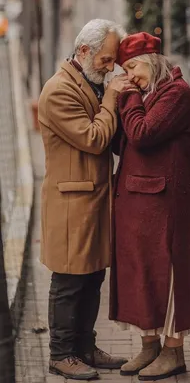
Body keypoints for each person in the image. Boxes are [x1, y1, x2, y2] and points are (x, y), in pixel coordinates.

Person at [38, 19, 128, 380]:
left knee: (92, 277)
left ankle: (84, 347)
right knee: (69, 281)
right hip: (71, 203)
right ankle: (60, 354)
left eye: (113, 61)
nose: (110, 68)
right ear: (84, 51)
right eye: (106, 60)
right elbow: (93, 138)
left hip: (91, 200)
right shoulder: (58, 91)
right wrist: (112, 98)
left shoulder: (86, 82)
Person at [109, 32, 190, 381]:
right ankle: (149, 346)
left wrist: (127, 95)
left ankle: (173, 351)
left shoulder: (177, 94)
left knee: (170, 274)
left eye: (132, 66)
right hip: (135, 200)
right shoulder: (146, 94)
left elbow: (143, 133)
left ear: (152, 60)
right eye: (125, 70)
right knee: (140, 274)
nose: (129, 75)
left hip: (166, 204)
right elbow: (124, 143)